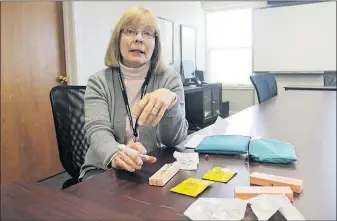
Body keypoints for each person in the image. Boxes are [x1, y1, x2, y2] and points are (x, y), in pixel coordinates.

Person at [79, 6, 189, 181]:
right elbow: (98, 130)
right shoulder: (98, 81)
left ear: (155, 44)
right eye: (130, 31)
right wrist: (116, 155)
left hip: (154, 169)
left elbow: (174, 140)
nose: (139, 38)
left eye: (147, 33)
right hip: (105, 169)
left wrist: (170, 101)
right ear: (118, 38)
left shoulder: (170, 79)